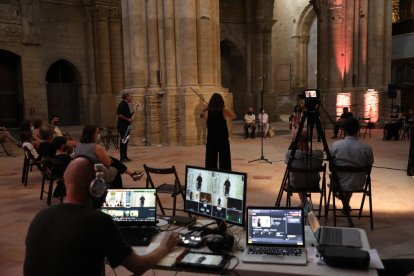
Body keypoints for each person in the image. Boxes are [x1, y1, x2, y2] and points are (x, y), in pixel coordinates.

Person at [24, 157, 181, 276]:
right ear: (96, 187)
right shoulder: (98, 221)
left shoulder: (41, 217)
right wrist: (164, 247)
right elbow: (138, 266)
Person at [74, 125, 143, 188]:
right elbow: (108, 163)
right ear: (92, 135)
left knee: (112, 160)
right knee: (115, 169)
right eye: (97, 133)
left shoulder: (78, 146)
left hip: (81, 171)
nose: (99, 135)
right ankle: (119, 189)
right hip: (94, 172)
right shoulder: (96, 147)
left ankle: (131, 173)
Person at [330, 118, 374, 212]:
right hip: (358, 183)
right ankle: (346, 203)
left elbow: (331, 165)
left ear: (344, 130)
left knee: (336, 175)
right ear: (358, 130)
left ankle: (344, 200)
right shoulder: (366, 148)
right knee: (350, 178)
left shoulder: (335, 145)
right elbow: (369, 166)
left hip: (339, 183)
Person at [285, 131, 324, 207]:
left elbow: (287, 163)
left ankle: (304, 202)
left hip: (295, 184)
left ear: (297, 141)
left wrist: (294, 142)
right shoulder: (319, 154)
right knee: (304, 176)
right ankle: (304, 202)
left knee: (298, 177)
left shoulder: (290, 154)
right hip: (313, 184)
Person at [201, 93, 236, 171]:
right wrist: (225, 108)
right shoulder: (223, 111)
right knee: (225, 161)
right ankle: (224, 173)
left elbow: (207, 125)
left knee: (210, 161)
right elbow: (233, 116)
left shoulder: (206, 112)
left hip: (211, 139)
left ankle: (211, 176)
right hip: (222, 139)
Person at [117, 92, 134, 162]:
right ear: (126, 97)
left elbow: (126, 114)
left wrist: (132, 113)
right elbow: (119, 114)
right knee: (123, 141)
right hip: (122, 126)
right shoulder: (122, 104)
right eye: (130, 96)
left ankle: (125, 156)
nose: (132, 97)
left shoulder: (126, 104)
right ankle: (122, 157)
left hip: (126, 125)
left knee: (125, 141)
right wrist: (128, 119)